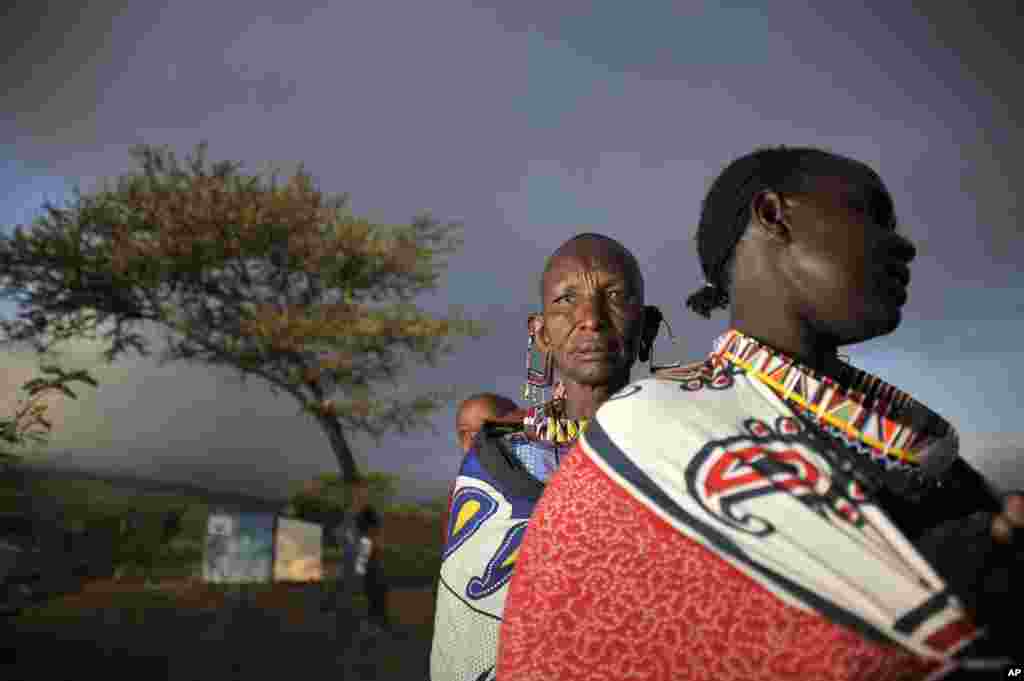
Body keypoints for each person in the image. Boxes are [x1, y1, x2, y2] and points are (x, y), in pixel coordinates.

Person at [498, 147, 1024, 680]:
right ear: (773, 215)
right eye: (875, 215)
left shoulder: (917, 450)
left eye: (614, 298)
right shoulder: (651, 431)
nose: (905, 246)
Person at [430, 233, 666, 681]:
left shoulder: (683, 453)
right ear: (541, 335)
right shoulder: (495, 464)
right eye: (566, 300)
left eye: (614, 296)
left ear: (647, 327)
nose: (590, 320)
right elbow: (464, 627)